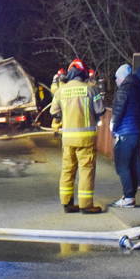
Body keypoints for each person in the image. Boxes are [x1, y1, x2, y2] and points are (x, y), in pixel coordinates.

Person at [50, 59, 105, 214]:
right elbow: (100, 110)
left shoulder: (61, 91)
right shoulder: (91, 90)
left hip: (67, 140)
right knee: (86, 171)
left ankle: (67, 204)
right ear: (83, 73)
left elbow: (54, 112)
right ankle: (86, 205)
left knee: (67, 170)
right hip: (86, 139)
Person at [110, 64, 140, 208]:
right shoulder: (138, 89)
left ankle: (128, 197)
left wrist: (113, 128)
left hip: (125, 132)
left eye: (116, 78)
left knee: (122, 166)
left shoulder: (123, 90)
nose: (116, 81)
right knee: (134, 165)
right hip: (137, 132)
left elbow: (117, 112)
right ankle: (130, 195)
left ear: (122, 78)